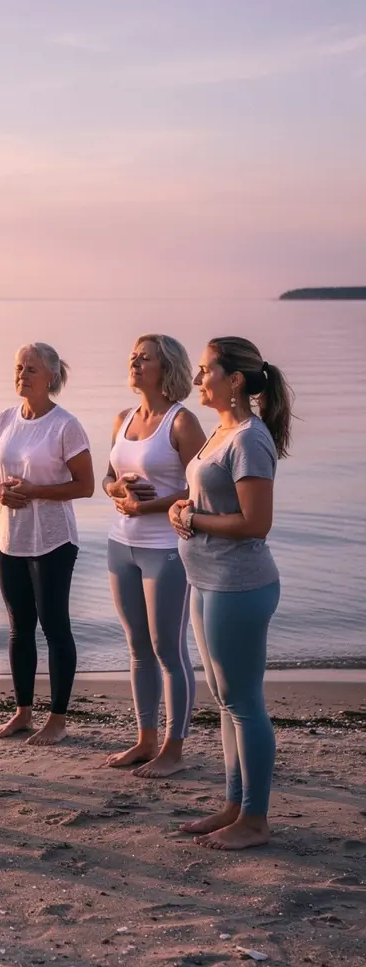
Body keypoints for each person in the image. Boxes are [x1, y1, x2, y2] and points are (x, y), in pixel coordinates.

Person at [170, 337, 293, 850]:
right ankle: (233, 804)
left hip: (239, 586)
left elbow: (255, 522)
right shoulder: (221, 432)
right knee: (225, 700)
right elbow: (210, 496)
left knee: (243, 702)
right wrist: (182, 507)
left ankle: (256, 820)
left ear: (234, 379)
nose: (198, 380)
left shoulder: (250, 438)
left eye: (204, 372)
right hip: (207, 580)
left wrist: (193, 518)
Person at [103, 335, 206, 777]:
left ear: (166, 367)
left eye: (144, 357)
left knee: (168, 648)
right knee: (137, 648)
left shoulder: (182, 423)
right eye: (133, 355)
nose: (134, 361)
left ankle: (173, 749)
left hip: (165, 548)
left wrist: (147, 505)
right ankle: (145, 739)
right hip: (120, 542)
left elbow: (203, 488)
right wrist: (120, 491)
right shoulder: (123, 418)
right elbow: (107, 480)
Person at [0, 342, 94, 746]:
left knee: (54, 626)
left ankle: (58, 719)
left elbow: (85, 485)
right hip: (6, 536)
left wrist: (36, 491)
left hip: (52, 539)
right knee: (18, 628)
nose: (22, 374)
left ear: (51, 376)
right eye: (18, 367)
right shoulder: (2, 420)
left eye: (31, 368)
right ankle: (22, 712)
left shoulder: (66, 425)